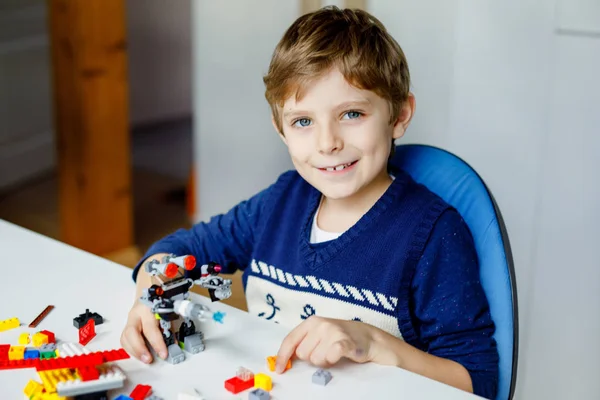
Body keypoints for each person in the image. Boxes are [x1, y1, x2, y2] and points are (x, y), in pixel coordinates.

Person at [120, 6, 499, 398]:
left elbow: (478, 381)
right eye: (303, 121)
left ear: (400, 115)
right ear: (281, 130)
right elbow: (180, 250)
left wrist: (376, 344)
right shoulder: (279, 203)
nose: (327, 142)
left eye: (352, 113)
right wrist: (150, 294)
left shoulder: (434, 234)